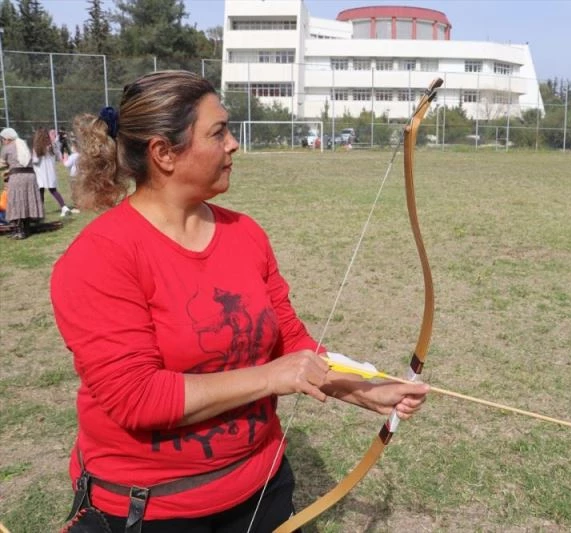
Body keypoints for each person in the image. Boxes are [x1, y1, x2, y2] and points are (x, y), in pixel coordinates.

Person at [51, 70, 429, 533]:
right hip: (149, 509)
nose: (233, 144)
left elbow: (290, 341)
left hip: (262, 489)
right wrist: (271, 377)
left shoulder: (245, 234)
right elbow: (137, 398)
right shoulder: (99, 257)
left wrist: (366, 390)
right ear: (164, 153)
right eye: (219, 132)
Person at [1, 128, 43, 239]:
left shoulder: (7, 148)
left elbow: (2, 164)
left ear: (7, 139)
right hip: (30, 177)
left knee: (17, 202)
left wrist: (6, 169)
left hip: (17, 178)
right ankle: (27, 228)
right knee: (27, 201)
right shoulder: (24, 146)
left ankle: (19, 231)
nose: (2, 141)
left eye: (3, 139)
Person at [31, 127, 79, 217]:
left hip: (40, 174)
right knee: (53, 190)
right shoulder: (52, 146)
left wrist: (32, 156)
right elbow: (59, 156)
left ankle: (40, 211)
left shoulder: (37, 148)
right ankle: (64, 207)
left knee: (40, 191)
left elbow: (35, 161)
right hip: (51, 173)